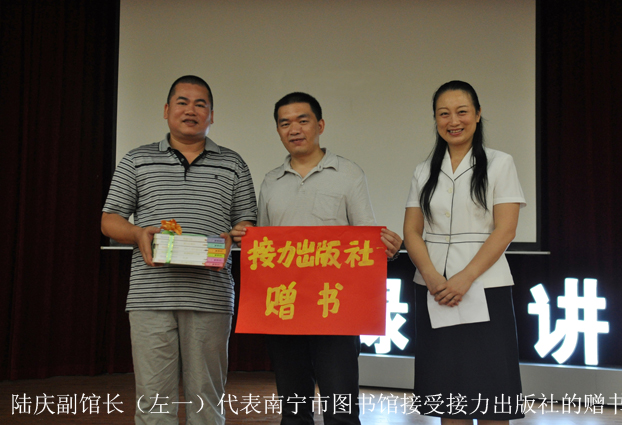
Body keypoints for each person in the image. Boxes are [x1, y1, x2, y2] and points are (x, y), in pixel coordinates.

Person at [231, 92, 403, 425]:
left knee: (341, 409)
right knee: (294, 410)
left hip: (335, 308)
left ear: (320, 125)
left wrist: (386, 247)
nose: (294, 129)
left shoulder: (349, 174)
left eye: (303, 120)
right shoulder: (270, 182)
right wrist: (245, 237)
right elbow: (265, 248)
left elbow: (365, 238)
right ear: (278, 131)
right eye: (285, 123)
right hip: (285, 307)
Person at [101, 75, 257, 425]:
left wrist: (239, 234)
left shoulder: (233, 163)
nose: (191, 110)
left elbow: (247, 223)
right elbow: (109, 220)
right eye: (182, 102)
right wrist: (137, 233)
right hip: (150, 297)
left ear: (212, 115)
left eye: (200, 104)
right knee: (154, 400)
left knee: (207, 400)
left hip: (211, 297)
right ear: (166, 110)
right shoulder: (137, 160)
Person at [403, 81, 526, 424]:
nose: (453, 121)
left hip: (485, 287)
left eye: (462, 112)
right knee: (448, 395)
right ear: (435, 119)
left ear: (478, 114)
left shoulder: (500, 163)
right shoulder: (423, 170)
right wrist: (431, 276)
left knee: (490, 395)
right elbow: (412, 231)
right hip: (434, 289)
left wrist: (465, 278)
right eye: (444, 114)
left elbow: (506, 229)